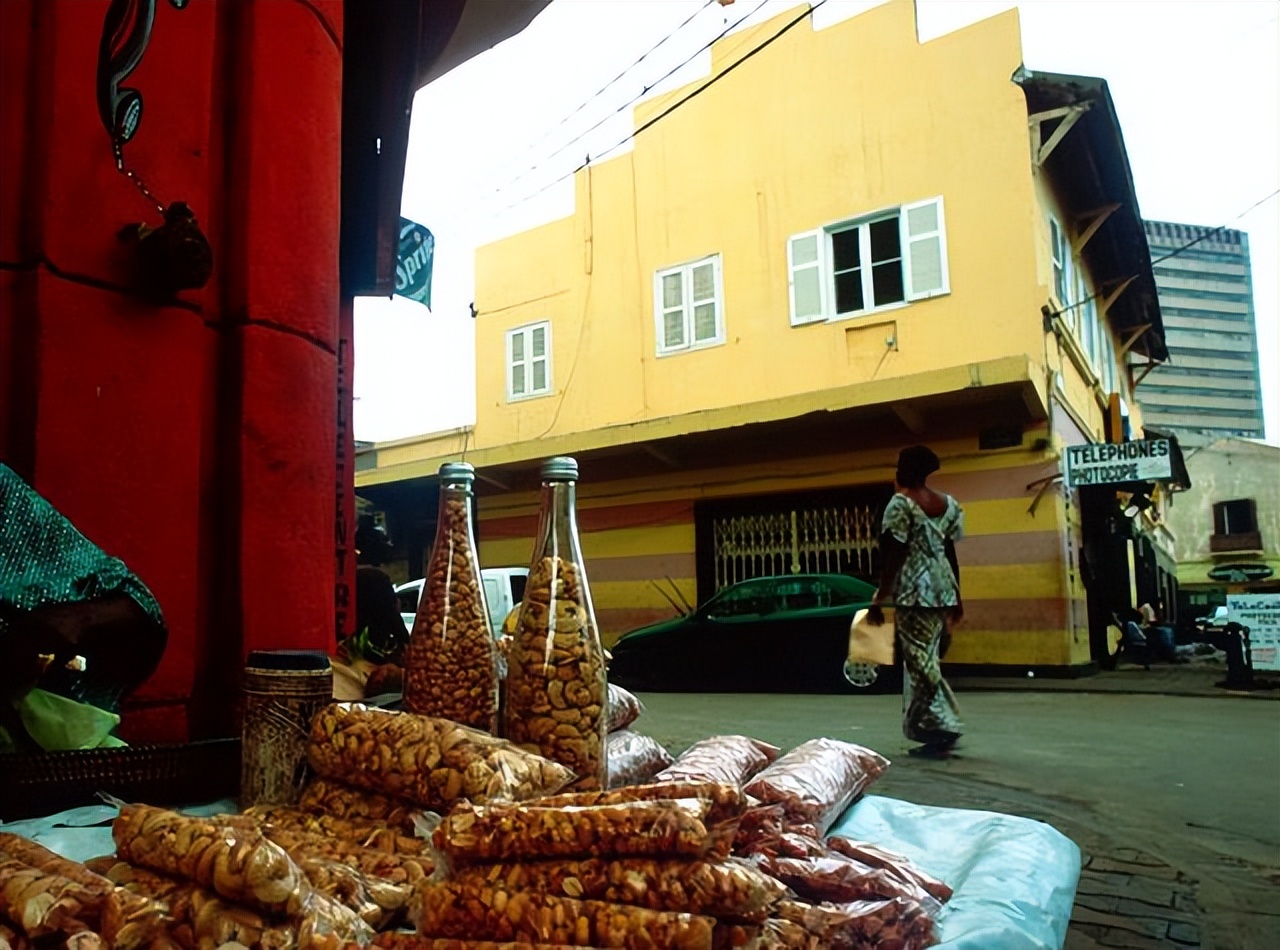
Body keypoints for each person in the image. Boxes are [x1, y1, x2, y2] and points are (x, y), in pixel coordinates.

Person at [866, 445, 965, 759]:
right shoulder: (948, 505)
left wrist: (880, 596)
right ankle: (933, 727)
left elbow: (893, 554)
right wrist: (957, 595)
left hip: (913, 591)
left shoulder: (900, 504)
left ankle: (943, 722)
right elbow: (950, 553)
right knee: (927, 659)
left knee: (920, 662)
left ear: (904, 471)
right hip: (942, 588)